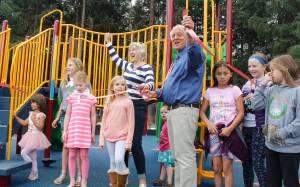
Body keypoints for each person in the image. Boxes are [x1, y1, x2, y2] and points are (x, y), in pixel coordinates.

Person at [141, 16, 205, 187]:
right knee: (178, 157)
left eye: (179, 34)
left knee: (184, 156)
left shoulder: (192, 54)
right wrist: (153, 93)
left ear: (188, 36)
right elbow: (168, 90)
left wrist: (192, 35)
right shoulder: (176, 61)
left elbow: (197, 55)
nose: (175, 38)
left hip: (185, 110)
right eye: (173, 36)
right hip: (174, 111)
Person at [105, 32, 155, 187]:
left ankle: (142, 178)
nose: (131, 52)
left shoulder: (146, 67)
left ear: (141, 52)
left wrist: (146, 86)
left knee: (134, 143)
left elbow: (151, 83)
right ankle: (122, 175)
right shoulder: (127, 65)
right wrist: (108, 43)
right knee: (122, 141)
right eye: (129, 50)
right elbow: (115, 58)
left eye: (134, 49)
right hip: (123, 105)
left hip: (137, 105)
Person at [252, 55, 300, 187]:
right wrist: (261, 85)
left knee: (290, 183)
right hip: (271, 145)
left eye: (273, 70)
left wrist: (280, 133)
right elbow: (255, 106)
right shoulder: (271, 89)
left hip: (289, 148)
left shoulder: (297, 91)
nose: (269, 74)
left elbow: (299, 122)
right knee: (272, 182)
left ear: (284, 70)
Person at [199, 62, 244, 187]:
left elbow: (241, 113)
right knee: (217, 168)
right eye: (219, 74)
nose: (222, 76)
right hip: (214, 133)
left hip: (230, 133)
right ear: (214, 75)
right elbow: (202, 112)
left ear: (231, 74)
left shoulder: (235, 90)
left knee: (227, 168)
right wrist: (208, 124)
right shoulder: (210, 91)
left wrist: (230, 128)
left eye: (225, 73)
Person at [52, 58, 85, 185]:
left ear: (78, 66)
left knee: (77, 147)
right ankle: (63, 174)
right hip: (65, 117)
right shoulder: (63, 84)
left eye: (70, 65)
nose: (67, 67)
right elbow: (63, 103)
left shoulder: (84, 82)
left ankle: (79, 176)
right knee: (66, 146)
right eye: (67, 65)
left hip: (78, 117)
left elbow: (90, 100)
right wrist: (57, 117)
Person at [99, 76, 135, 187]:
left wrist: (129, 141)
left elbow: (131, 123)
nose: (120, 87)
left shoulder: (128, 102)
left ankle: (122, 180)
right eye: (117, 84)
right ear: (112, 87)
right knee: (113, 161)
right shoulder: (109, 102)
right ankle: (115, 183)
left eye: (122, 84)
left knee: (119, 159)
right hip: (109, 136)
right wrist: (101, 139)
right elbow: (103, 122)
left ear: (125, 87)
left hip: (122, 137)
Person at [63, 71, 97, 187]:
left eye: (80, 85)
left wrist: (93, 132)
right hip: (73, 130)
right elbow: (68, 114)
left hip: (85, 130)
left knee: (84, 156)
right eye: (76, 85)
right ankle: (72, 180)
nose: (78, 87)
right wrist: (65, 130)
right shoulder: (71, 97)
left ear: (86, 84)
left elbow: (93, 115)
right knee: (72, 155)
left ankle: (84, 180)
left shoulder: (91, 98)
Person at [241, 53, 268, 187]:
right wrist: (243, 100)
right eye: (249, 66)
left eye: (255, 66)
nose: (251, 69)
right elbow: (242, 105)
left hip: (261, 127)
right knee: (246, 162)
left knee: (258, 162)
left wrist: (257, 96)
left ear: (264, 66)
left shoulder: (269, 83)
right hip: (247, 126)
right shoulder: (246, 84)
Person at [14, 94, 51, 181]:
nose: (32, 104)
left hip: (36, 136)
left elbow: (40, 127)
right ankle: (35, 173)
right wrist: (16, 117)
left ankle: (29, 165)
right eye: (31, 102)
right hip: (29, 136)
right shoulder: (31, 113)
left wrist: (34, 120)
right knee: (33, 156)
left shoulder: (41, 115)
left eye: (34, 102)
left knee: (23, 152)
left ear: (39, 103)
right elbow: (24, 123)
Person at [152, 106, 174, 187]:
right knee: (164, 164)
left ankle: (169, 183)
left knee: (168, 165)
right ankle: (161, 179)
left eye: (166, 112)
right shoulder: (165, 123)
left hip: (168, 148)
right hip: (163, 147)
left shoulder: (169, 123)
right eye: (162, 112)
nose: (163, 114)